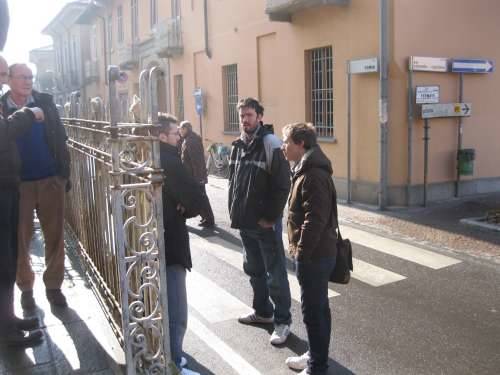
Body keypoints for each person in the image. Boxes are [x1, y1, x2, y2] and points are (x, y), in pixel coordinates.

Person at [0, 63, 71, 309]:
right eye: (23, 77)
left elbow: (60, 138)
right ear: (9, 79)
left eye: (31, 77)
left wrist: (64, 175)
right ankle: (26, 288)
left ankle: (54, 287)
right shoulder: (2, 107)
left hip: (50, 179)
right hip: (18, 185)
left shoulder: (45, 102)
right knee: (20, 240)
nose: (28, 81)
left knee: (55, 236)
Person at [228, 97, 292, 345]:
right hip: (245, 223)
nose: (245, 120)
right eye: (242, 115)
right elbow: (233, 182)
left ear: (260, 117)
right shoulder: (237, 146)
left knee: (275, 274)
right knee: (254, 271)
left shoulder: (270, 143)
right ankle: (263, 312)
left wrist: (270, 217)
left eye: (250, 115)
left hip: (265, 225)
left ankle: (283, 321)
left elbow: (282, 185)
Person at [281, 123, 337, 375]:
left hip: (314, 255)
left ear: (300, 143)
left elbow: (315, 219)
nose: (283, 146)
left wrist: (301, 253)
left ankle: (317, 367)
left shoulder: (312, 173)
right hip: (315, 253)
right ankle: (315, 356)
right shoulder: (306, 168)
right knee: (317, 309)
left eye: (286, 141)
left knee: (314, 312)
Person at [0, 55, 45, 347]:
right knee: (3, 259)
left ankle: (8, 319)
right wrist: (29, 115)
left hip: (7, 185)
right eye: (3, 74)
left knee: (6, 259)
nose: (4, 79)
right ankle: (7, 333)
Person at [157, 114, 204, 375]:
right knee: (176, 308)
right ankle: (173, 363)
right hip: (170, 238)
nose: (178, 137)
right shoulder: (170, 161)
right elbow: (196, 200)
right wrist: (184, 206)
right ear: (162, 136)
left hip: (148, 239)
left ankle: (166, 355)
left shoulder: (143, 155)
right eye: (175, 133)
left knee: (158, 302)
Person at [178, 120, 214, 227]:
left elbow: (196, 161)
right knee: (200, 197)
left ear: (185, 129)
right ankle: (206, 217)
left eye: (181, 129)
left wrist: (198, 178)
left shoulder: (190, 141)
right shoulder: (188, 139)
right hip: (194, 175)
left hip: (195, 176)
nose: (180, 131)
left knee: (201, 197)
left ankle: (209, 219)